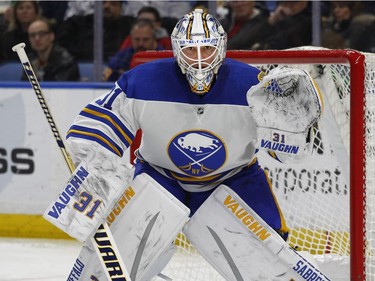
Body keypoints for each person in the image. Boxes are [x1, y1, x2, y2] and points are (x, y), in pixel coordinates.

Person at [64, 8, 322, 280]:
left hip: (234, 178)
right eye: (190, 51)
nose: (199, 61)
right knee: (118, 250)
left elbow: (285, 154)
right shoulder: (142, 81)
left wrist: (293, 130)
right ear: (176, 50)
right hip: (159, 177)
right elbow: (102, 125)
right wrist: (92, 159)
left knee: (269, 262)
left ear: (221, 48)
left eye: (207, 50)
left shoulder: (254, 86)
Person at [56, 0, 135, 62]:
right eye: (103, 2)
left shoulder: (130, 25)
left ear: (120, 8)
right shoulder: (78, 24)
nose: (107, 6)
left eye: (113, 3)